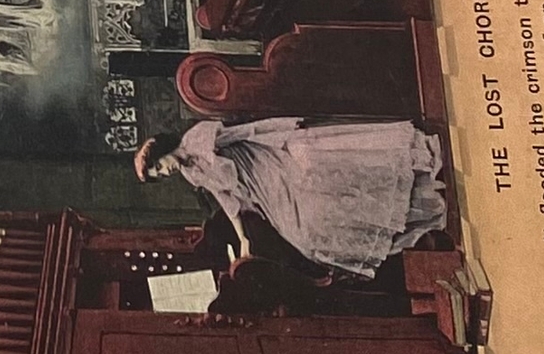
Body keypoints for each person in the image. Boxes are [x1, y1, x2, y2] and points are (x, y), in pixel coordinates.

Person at [135, 116, 449, 282]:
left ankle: (415, 185)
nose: (165, 172)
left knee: (319, 193)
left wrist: (285, 135)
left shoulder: (197, 138)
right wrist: (243, 239)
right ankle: (410, 221)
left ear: (162, 150)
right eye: (160, 175)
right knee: (307, 238)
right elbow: (227, 198)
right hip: (262, 194)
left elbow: (244, 132)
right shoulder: (191, 174)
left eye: (159, 166)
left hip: (268, 165)